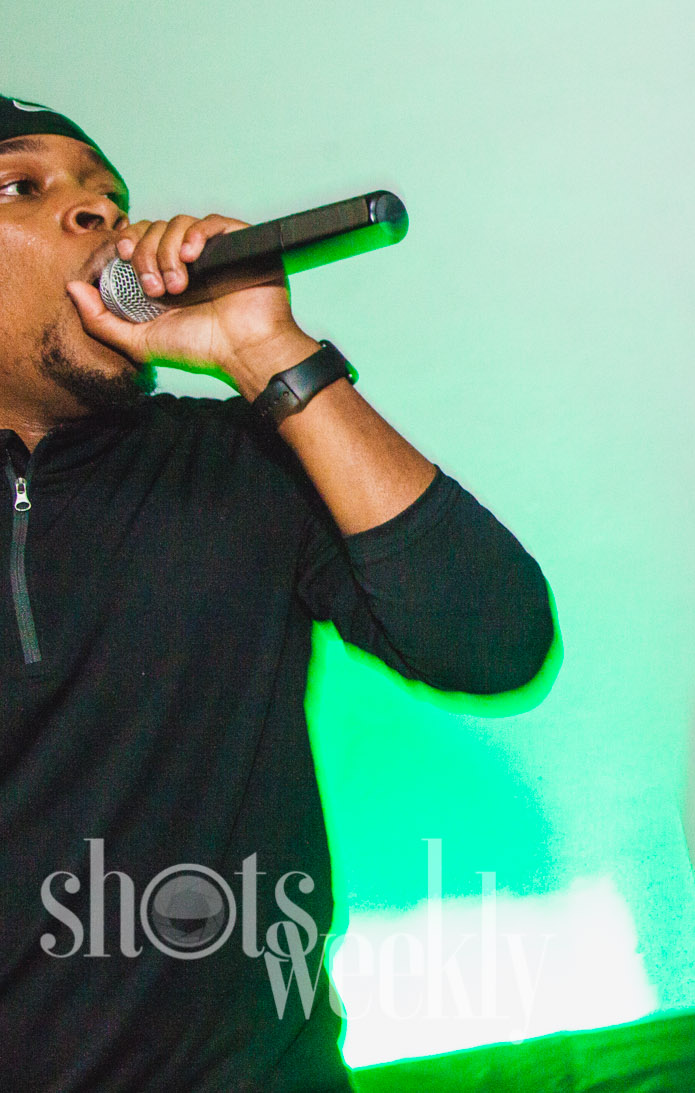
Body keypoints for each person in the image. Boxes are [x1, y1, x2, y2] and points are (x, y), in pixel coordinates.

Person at [0, 97, 556, 1091]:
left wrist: (264, 349)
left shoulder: (239, 460)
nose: (97, 210)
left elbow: (498, 641)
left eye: (106, 193)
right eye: (22, 185)